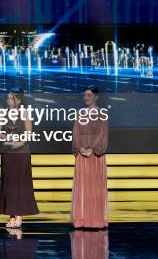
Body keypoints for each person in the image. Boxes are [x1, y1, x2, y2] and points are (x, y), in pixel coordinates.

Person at [0, 87, 40, 228]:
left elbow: (29, 132)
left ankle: (19, 215)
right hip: (8, 153)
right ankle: (11, 215)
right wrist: (6, 137)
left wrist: (19, 142)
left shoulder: (25, 113)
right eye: (8, 98)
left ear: (18, 100)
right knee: (9, 184)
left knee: (20, 184)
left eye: (10, 98)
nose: (8, 101)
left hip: (22, 153)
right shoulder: (3, 113)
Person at [71, 85, 109, 229]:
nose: (86, 98)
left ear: (96, 97)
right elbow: (76, 133)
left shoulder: (102, 114)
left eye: (89, 95)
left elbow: (103, 134)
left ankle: (96, 221)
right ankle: (81, 220)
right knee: (83, 187)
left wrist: (92, 148)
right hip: (82, 154)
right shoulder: (80, 113)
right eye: (85, 95)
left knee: (95, 187)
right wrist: (80, 148)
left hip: (96, 155)